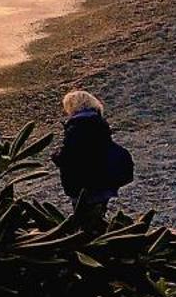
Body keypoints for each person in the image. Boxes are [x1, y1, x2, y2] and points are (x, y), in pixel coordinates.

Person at [54, 89, 129, 232]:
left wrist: (56, 156)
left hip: (80, 182)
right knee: (97, 215)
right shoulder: (99, 122)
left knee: (83, 220)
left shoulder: (77, 125)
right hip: (103, 180)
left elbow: (70, 155)